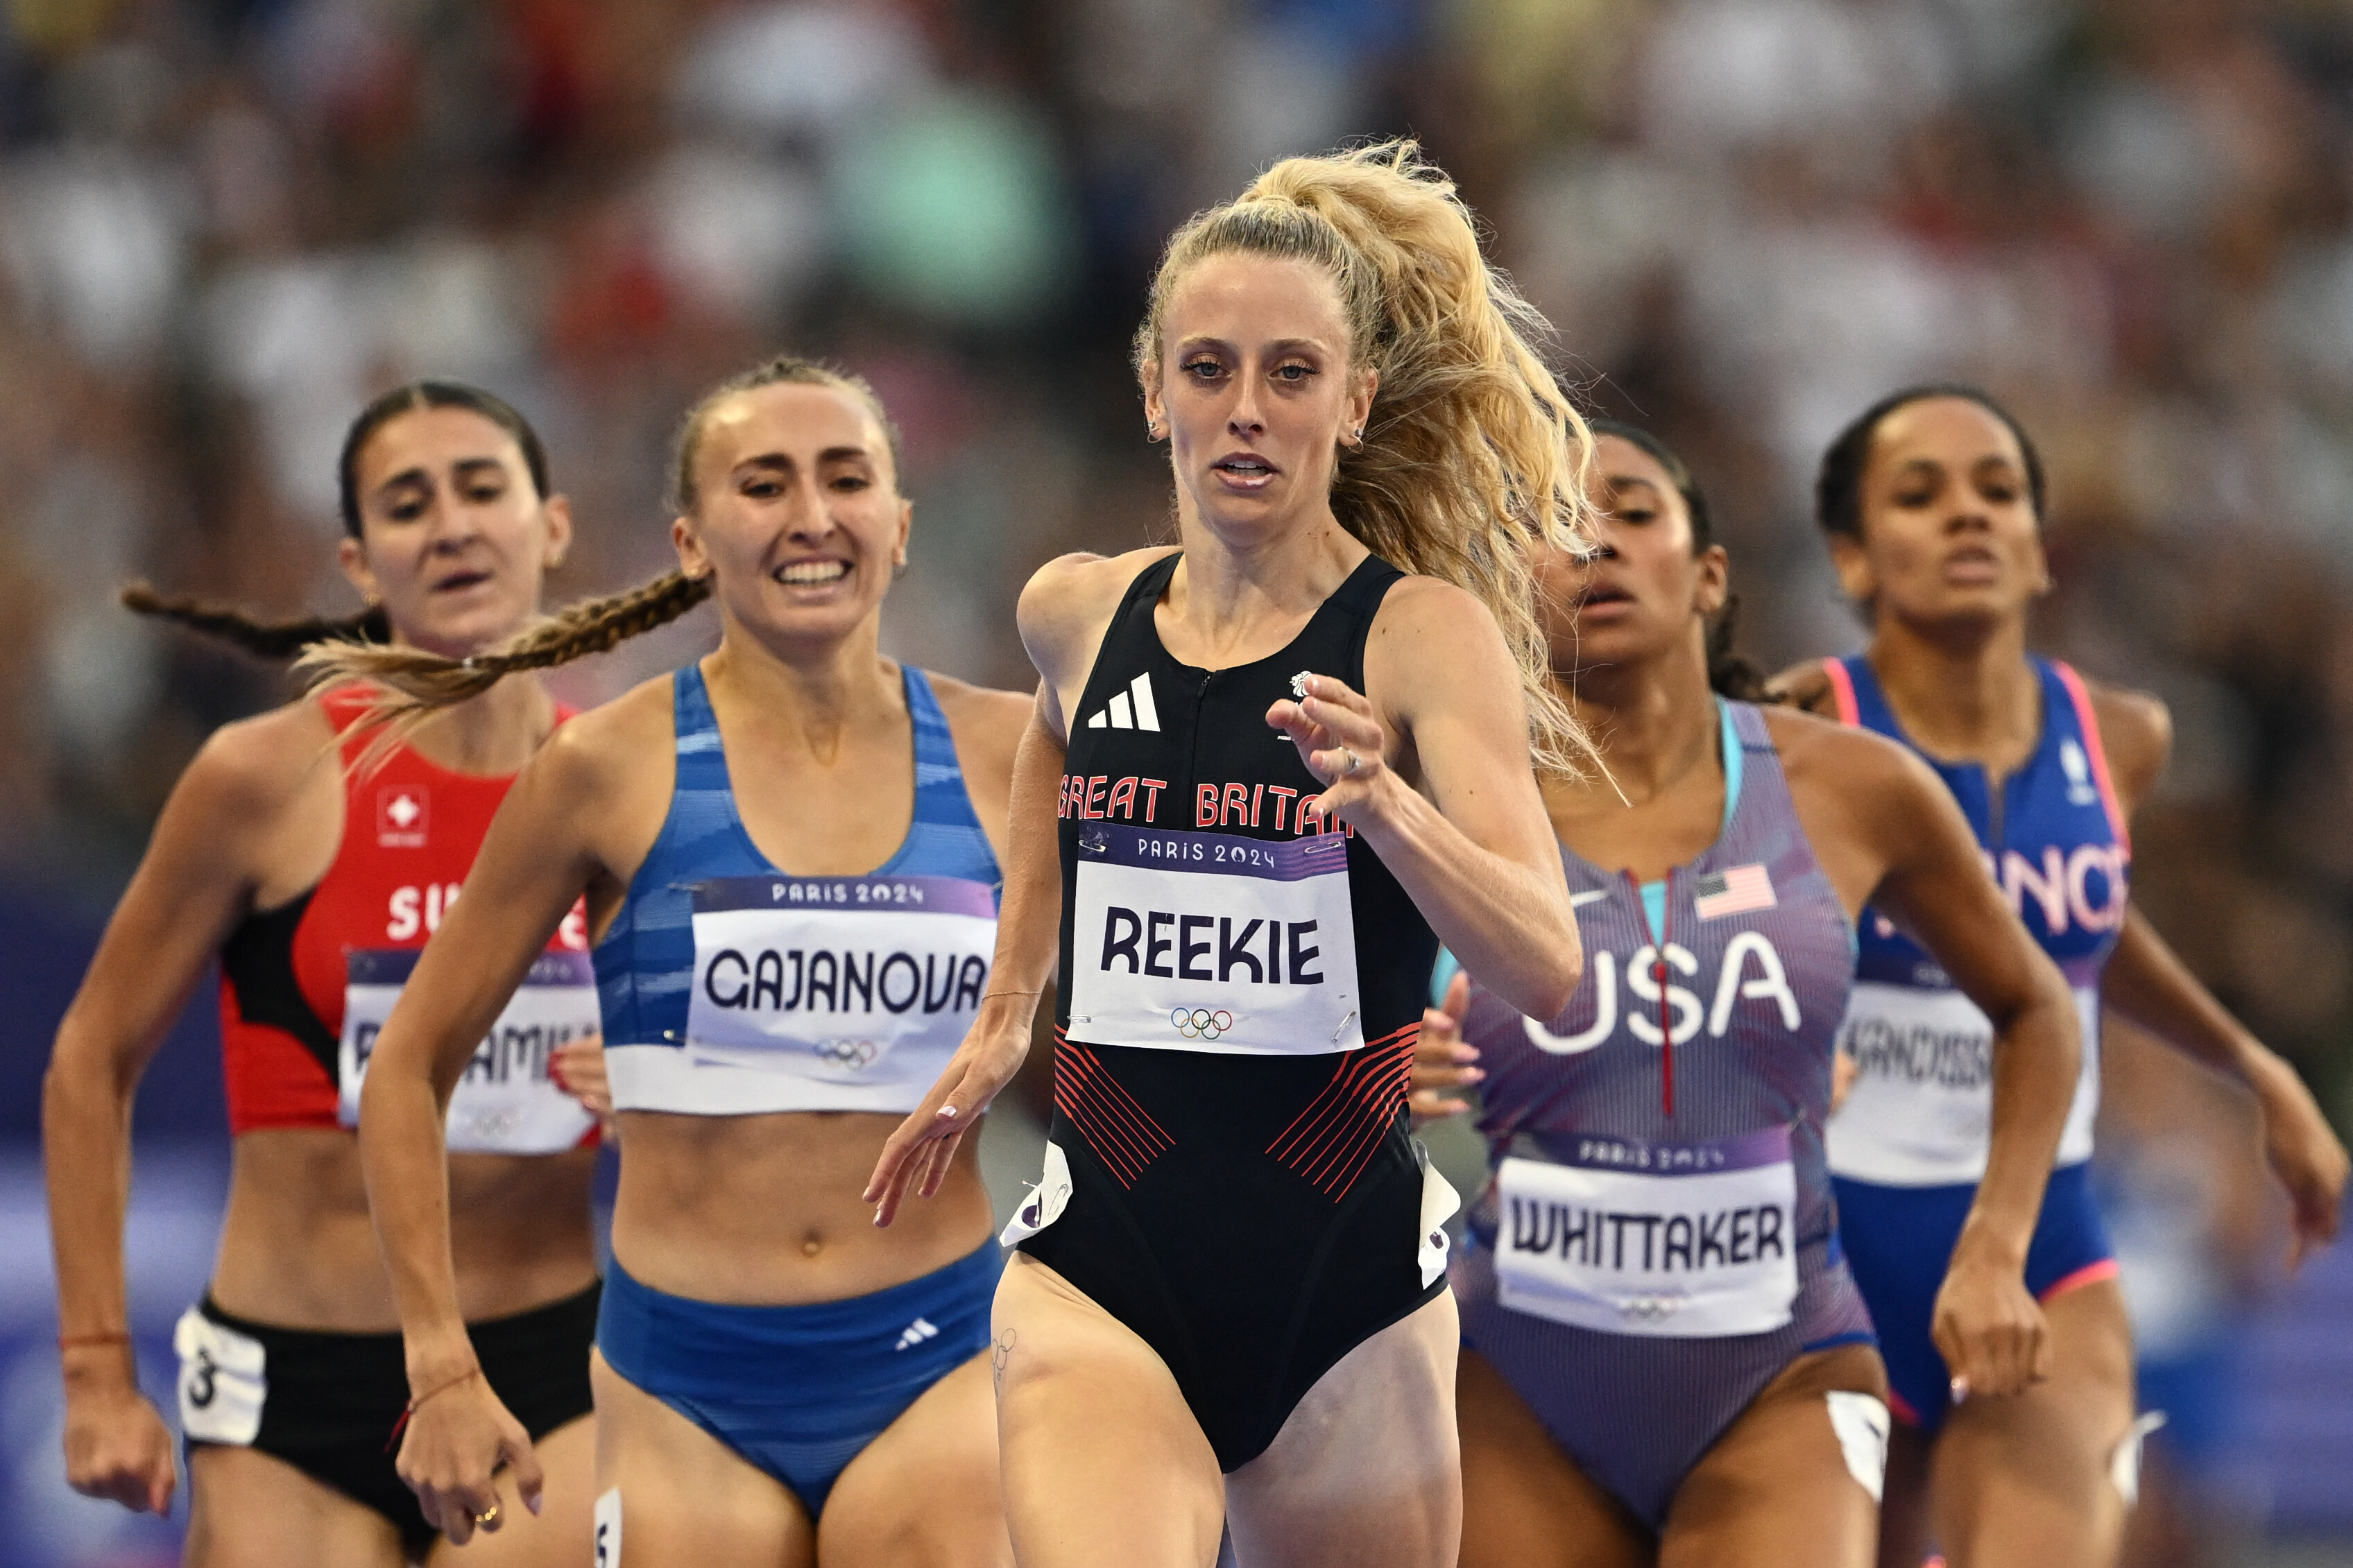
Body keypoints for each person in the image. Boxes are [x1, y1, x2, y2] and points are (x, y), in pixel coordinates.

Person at [865, 140, 1588, 1568]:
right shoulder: (1076, 611)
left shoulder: (1418, 639)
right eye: (1209, 369)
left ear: (1355, 400)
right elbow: (1050, 743)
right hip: (1102, 1273)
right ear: (1154, 393)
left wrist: (1390, 811)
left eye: (1291, 373)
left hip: (1347, 1301)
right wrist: (1008, 1008)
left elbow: (1550, 966)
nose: (1247, 409)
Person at [323, 356, 1025, 1567]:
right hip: (683, 1385)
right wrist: (439, 1364)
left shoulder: (1013, 750)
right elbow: (409, 1065)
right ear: (692, 543)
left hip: (940, 1356)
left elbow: (1165, 1000)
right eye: (764, 484)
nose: (812, 515)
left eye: (846, 478)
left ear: (901, 525)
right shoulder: (603, 768)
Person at [1410, 421, 2085, 1568]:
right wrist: (1374, 1064)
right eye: (1550, 524)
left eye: (1632, 511)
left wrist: (1994, 1245)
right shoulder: (1436, 797)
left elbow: (2038, 1008)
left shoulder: (1852, 787)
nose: (1595, 542)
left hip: (1782, 1372)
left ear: (1710, 574)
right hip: (1516, 1374)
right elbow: (1290, 1030)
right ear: (1504, 593)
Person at [1773, 384, 2350, 1567]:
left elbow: (2076, 935)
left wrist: (2252, 1065)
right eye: (1921, 494)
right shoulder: (1801, 725)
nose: (1968, 515)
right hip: (1828, 1245)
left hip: (2044, 1238)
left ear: (2041, 548)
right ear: (1853, 555)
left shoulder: (2121, 736)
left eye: (1999, 492)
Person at [43, 381, 608, 1565]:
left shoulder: (619, 785)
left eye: (482, 489)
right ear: (359, 561)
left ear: (552, 525)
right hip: (294, 1389)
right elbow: (92, 1058)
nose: (451, 526)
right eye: (408, 504)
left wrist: (658, 1075)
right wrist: (96, 1370)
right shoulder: (263, 780)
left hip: (544, 1366)